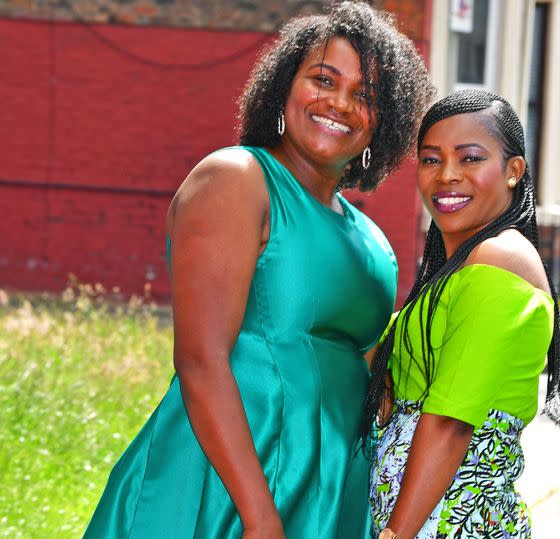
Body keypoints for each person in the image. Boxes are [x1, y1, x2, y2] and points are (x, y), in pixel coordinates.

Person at [84, 3, 433, 538]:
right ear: (283, 86)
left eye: (365, 96)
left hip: (327, 492)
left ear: (383, 123)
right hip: (230, 484)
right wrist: (260, 517)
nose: (339, 102)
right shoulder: (237, 179)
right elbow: (201, 361)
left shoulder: (372, 241)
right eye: (323, 79)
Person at [363, 90, 560, 539]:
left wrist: (395, 534)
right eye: (431, 160)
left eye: (469, 158)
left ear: (513, 171)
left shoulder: (497, 259)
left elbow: (450, 422)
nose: (447, 175)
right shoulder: (461, 268)